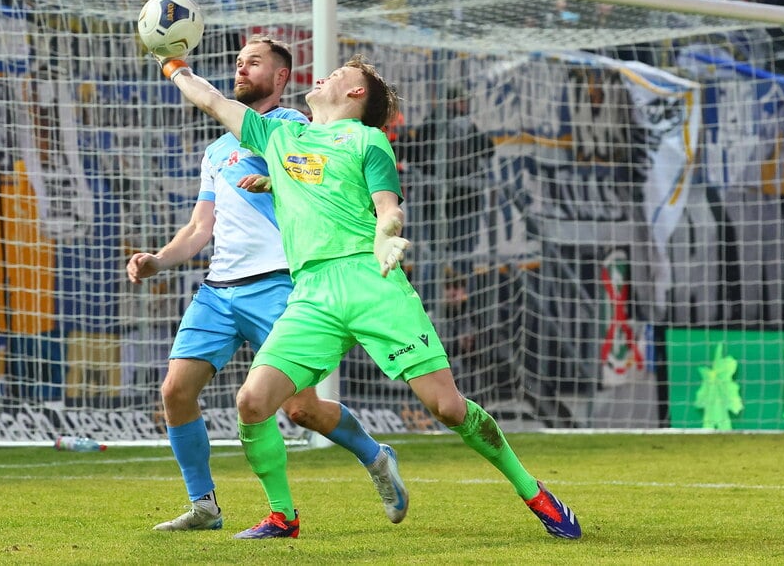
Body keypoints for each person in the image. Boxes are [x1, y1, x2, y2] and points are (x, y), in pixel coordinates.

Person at [151, 51, 583, 540]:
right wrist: (171, 63)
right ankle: (282, 517)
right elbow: (209, 98)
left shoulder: (368, 140)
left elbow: (387, 207)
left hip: (371, 281)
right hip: (312, 293)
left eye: (339, 74)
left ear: (356, 93)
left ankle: (535, 493)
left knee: (447, 408)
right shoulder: (279, 135)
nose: (325, 75)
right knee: (252, 402)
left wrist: (386, 237)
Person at [128, 36, 409, 533]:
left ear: (281, 78)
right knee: (175, 390)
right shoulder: (216, 150)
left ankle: (375, 456)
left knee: (301, 408)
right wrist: (159, 260)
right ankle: (205, 506)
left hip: (280, 282)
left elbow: (323, 176)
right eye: (238, 62)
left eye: (253, 62)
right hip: (219, 288)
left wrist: (278, 178)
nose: (241, 68)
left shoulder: (294, 125)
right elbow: (199, 229)